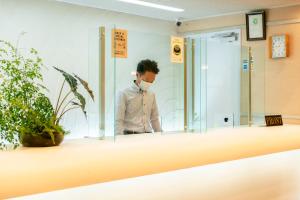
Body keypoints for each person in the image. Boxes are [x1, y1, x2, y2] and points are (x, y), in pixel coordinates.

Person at [115, 59, 162, 135]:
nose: (149, 83)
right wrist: (119, 140)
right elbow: (118, 120)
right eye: (146, 80)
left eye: (152, 81)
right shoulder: (124, 93)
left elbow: (154, 119)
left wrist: (161, 136)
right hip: (130, 136)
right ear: (137, 75)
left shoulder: (151, 95)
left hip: (148, 135)